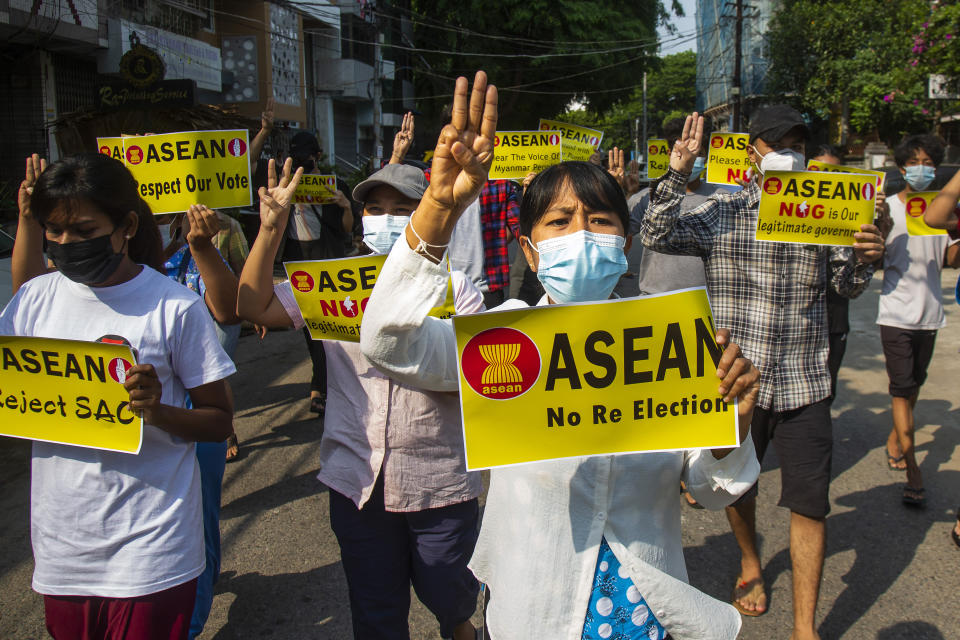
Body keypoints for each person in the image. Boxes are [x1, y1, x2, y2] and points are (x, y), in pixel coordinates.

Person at [361, 71, 764, 640]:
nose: (582, 232)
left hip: (647, 605)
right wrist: (436, 209)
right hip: (535, 604)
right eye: (559, 220)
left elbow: (706, 486)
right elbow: (387, 344)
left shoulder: (671, 339)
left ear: (623, 246)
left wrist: (732, 426)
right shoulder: (499, 336)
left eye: (600, 220)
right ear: (529, 247)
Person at [639, 106, 885, 636]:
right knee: (735, 489)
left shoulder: (830, 213)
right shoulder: (722, 211)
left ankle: (805, 626)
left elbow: (848, 287)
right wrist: (678, 172)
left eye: (797, 141)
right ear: (753, 152)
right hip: (737, 384)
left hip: (806, 381)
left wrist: (866, 254)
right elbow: (656, 234)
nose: (788, 151)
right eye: (777, 142)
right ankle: (750, 561)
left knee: (811, 503)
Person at [237, 160, 484, 640]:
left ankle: (459, 627)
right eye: (375, 208)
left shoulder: (457, 290)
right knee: (375, 608)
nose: (386, 217)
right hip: (356, 480)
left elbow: (471, 377)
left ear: (427, 214)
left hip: (439, 481)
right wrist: (270, 231)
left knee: (448, 590)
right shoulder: (330, 285)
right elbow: (250, 307)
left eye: (403, 208)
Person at [4, 152, 235, 640]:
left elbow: (218, 420)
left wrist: (158, 412)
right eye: (54, 231)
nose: (67, 245)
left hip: (151, 546)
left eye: (84, 231)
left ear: (126, 226)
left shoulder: (175, 307)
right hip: (63, 548)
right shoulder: (32, 300)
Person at [876, 134, 960, 506]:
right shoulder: (889, 209)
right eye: (914, 162)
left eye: (928, 162)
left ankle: (898, 438)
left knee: (914, 388)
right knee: (900, 387)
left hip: (931, 315)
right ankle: (913, 469)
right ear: (902, 167)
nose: (921, 169)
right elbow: (874, 256)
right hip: (895, 313)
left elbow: (950, 259)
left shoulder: (944, 213)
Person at [390, 111, 521, 308]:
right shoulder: (427, 180)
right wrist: (397, 155)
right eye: (458, 133)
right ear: (444, 136)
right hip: (434, 289)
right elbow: (390, 202)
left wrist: (530, 191)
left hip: (485, 292)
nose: (465, 142)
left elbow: (521, 230)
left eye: (472, 134)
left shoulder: (499, 184)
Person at [286, 131, 355, 414]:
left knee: (330, 330)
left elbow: (350, 229)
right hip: (298, 265)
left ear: (318, 157)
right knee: (311, 330)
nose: (304, 163)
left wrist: (345, 205)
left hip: (328, 263)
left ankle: (322, 388)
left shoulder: (336, 186)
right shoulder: (284, 186)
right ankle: (322, 386)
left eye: (308, 157)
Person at [625, 117, 724, 299]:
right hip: (655, 300)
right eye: (684, 151)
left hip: (706, 304)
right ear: (670, 153)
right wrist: (618, 194)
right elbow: (620, 239)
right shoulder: (646, 198)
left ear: (707, 156)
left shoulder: (723, 198)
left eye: (697, 153)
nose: (690, 158)